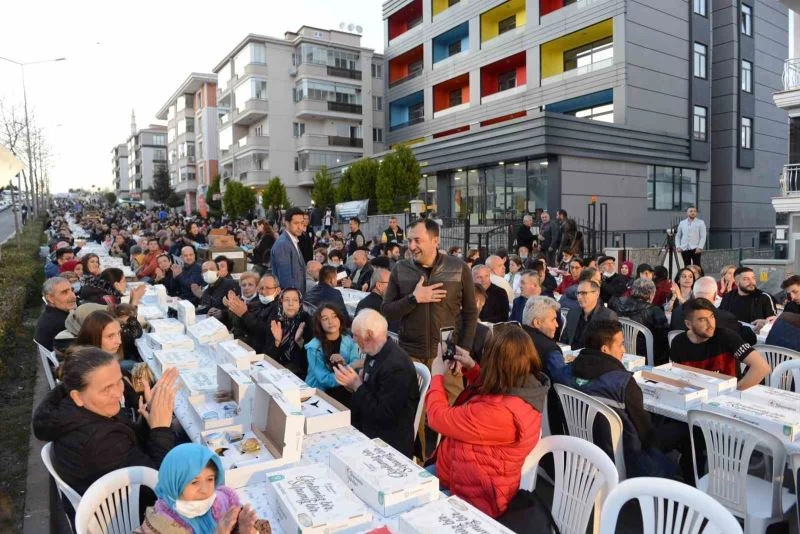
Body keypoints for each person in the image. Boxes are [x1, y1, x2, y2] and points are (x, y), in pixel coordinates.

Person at [425, 323, 547, 518]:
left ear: (495, 361)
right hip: (458, 474)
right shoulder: (525, 388)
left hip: (471, 498)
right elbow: (498, 391)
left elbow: (437, 417)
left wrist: (437, 375)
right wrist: (472, 367)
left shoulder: (499, 413)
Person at [382, 218, 477, 456]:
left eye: (417, 240)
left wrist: (462, 350)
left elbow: (471, 313)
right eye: (409, 240)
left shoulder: (459, 268)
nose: (411, 246)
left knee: (455, 414)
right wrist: (415, 298)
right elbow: (387, 310)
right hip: (410, 354)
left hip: (446, 356)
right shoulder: (400, 269)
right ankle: (423, 464)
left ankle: (451, 462)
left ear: (435, 241)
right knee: (415, 415)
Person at [32, 347, 179, 495]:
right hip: (130, 509)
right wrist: (161, 429)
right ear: (77, 397)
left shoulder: (78, 411)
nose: (118, 393)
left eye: (119, 381)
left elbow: (130, 439)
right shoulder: (99, 440)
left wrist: (151, 413)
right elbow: (158, 486)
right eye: (107, 388)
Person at [565, 320, 682, 478]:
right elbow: (646, 434)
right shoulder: (623, 383)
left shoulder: (565, 373)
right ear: (605, 349)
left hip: (583, 450)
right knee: (682, 431)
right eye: (620, 344)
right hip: (627, 458)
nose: (624, 350)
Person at [334, 310, 419, 458]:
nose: (353, 340)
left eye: (356, 335)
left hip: (388, 444)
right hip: (368, 426)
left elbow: (383, 414)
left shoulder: (396, 366)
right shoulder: (376, 352)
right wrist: (353, 385)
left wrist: (357, 386)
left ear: (369, 335)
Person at [137, 444, 264, 534]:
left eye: (210, 479)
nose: (205, 490)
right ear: (174, 485)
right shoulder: (160, 524)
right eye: (194, 482)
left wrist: (241, 531)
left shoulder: (222, 503)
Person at [671, 298, 770, 388]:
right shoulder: (678, 342)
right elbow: (674, 376)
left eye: (711, 317)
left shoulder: (727, 337)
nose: (710, 324)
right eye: (702, 320)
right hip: (694, 395)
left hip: (726, 397)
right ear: (688, 324)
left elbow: (762, 367)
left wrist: (735, 391)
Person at [305, 304, 361, 403]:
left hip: (345, 391)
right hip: (319, 394)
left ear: (339, 319)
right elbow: (324, 380)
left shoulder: (349, 341)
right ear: (319, 323)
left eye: (334, 316)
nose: (331, 321)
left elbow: (356, 367)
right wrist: (348, 367)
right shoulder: (313, 347)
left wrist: (344, 364)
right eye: (325, 319)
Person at [609, 278, 670, 365]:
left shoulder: (616, 303)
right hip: (645, 356)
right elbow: (664, 336)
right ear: (651, 293)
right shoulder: (653, 310)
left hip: (619, 349)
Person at [264, 288, 313, 379]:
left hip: (300, 374)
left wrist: (300, 342)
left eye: (295, 300)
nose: (291, 303)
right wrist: (277, 342)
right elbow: (268, 357)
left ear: (300, 304)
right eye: (286, 300)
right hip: (277, 371)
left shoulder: (308, 322)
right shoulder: (275, 321)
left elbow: (311, 361)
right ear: (281, 303)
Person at [225, 274, 280, 353]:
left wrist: (244, 314)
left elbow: (265, 332)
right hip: (247, 347)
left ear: (278, 290)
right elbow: (242, 327)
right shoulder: (256, 304)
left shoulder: (279, 307)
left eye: (268, 288)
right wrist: (234, 310)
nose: (264, 292)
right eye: (261, 288)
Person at [561, 280, 618, 349]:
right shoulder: (572, 313)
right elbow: (565, 339)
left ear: (597, 294)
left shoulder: (608, 316)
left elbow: (610, 347)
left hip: (593, 356)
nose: (579, 297)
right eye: (578, 293)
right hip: (570, 355)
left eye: (584, 293)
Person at [271, 207, 307, 296]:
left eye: (302, 223)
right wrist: (294, 299)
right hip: (290, 300)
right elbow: (285, 279)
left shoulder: (291, 241)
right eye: (296, 223)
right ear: (287, 223)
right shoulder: (283, 244)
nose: (300, 227)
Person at [35, 277, 78, 351]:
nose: (73, 296)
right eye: (64, 292)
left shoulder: (50, 315)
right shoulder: (62, 323)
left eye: (72, 290)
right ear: (50, 298)